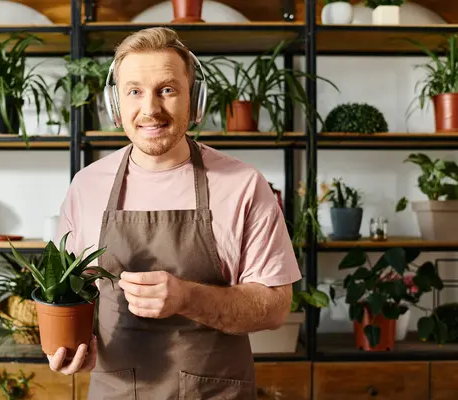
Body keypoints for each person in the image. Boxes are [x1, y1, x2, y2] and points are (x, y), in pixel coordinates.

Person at [49, 27, 302, 399]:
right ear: (116, 105)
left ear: (194, 102)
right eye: (134, 91)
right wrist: (75, 344)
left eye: (167, 89)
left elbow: (276, 307)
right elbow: (68, 294)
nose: (150, 109)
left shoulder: (243, 185)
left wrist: (187, 298)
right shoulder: (86, 186)